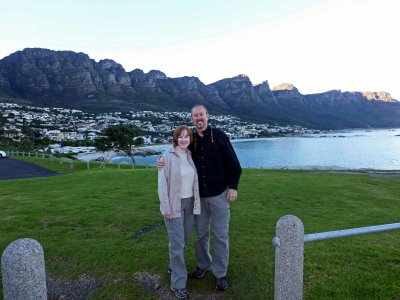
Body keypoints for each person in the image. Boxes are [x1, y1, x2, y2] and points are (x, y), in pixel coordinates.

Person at [158, 104, 242, 291]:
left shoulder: (219, 136)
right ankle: (204, 265)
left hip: (219, 194)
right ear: (192, 119)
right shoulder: (191, 140)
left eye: (201, 115)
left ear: (207, 116)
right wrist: (161, 160)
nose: (199, 118)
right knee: (201, 235)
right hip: (198, 198)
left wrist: (233, 187)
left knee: (220, 235)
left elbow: (234, 164)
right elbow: (176, 152)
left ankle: (220, 273)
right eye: (195, 116)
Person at [158, 125, 201, 300]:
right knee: (177, 244)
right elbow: (161, 185)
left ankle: (172, 266)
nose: (184, 139)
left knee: (183, 241)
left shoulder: (190, 155)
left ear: (190, 139)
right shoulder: (166, 157)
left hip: (190, 203)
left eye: (187, 137)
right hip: (173, 205)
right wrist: (165, 207)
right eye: (181, 136)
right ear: (176, 138)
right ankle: (178, 284)